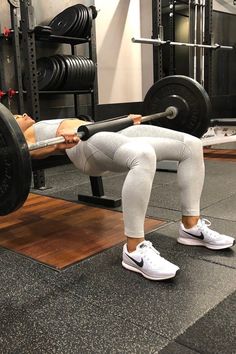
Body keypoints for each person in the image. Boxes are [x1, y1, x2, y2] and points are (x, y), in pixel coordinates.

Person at [14, 113, 235, 281]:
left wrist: (124, 119)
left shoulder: (43, 121)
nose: (23, 115)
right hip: (85, 147)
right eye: (16, 116)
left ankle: (191, 227)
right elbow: (26, 152)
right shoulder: (26, 134)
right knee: (143, 155)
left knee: (192, 145)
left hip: (104, 133)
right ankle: (133, 249)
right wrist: (59, 143)